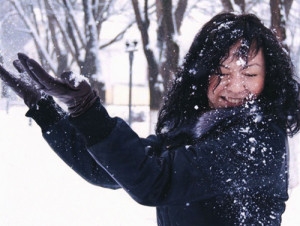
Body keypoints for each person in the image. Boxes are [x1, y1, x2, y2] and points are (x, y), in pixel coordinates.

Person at [0, 12, 299, 226]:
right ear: (201, 73)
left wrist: (86, 107)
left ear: (268, 80)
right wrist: (45, 109)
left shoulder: (258, 140)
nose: (234, 86)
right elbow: (104, 168)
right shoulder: (192, 132)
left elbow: (156, 181)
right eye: (221, 72)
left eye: (249, 74)